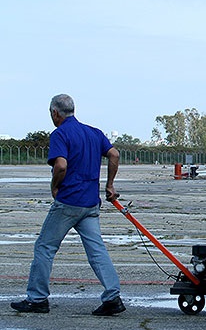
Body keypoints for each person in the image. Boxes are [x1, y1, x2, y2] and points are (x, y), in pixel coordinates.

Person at [11, 94, 125, 316]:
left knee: (45, 247)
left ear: (55, 113)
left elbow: (61, 165)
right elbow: (114, 154)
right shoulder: (94, 133)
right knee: (97, 250)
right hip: (90, 203)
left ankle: (37, 298)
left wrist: (55, 186)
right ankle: (112, 296)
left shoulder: (60, 134)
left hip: (68, 202)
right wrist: (109, 185)